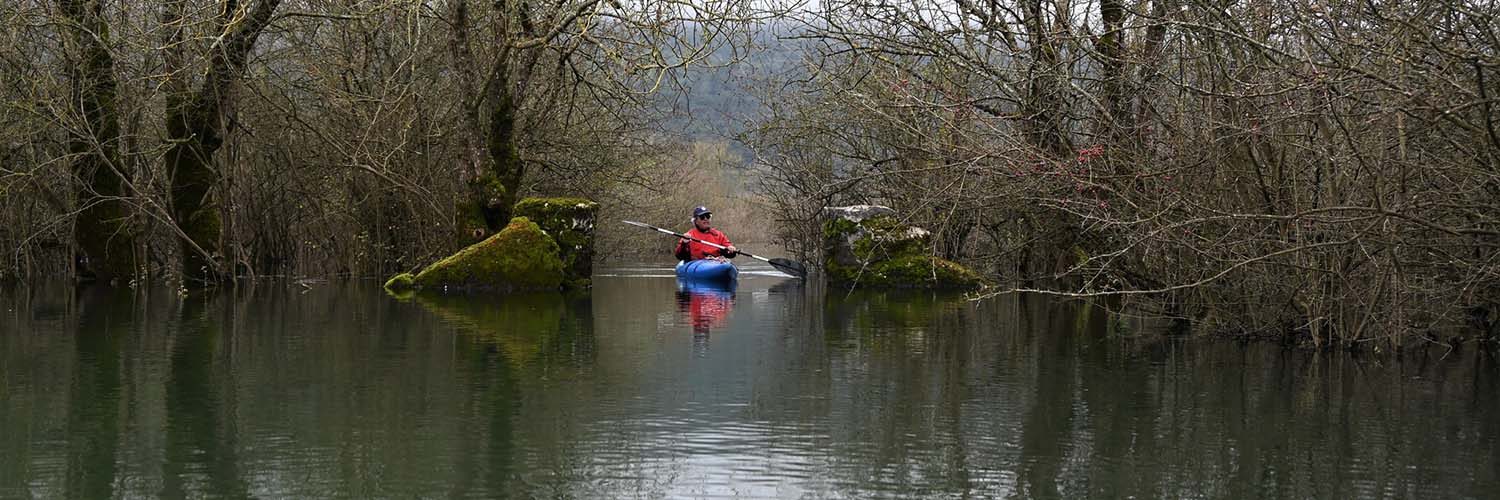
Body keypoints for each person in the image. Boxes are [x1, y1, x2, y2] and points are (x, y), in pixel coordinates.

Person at [674, 206, 739, 261]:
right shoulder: (689, 235)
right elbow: (679, 256)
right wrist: (684, 243)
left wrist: (731, 249)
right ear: (696, 221)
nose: (705, 219)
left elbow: (729, 253)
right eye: (702, 217)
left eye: (707, 216)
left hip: (715, 263)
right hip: (697, 265)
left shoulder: (718, 235)